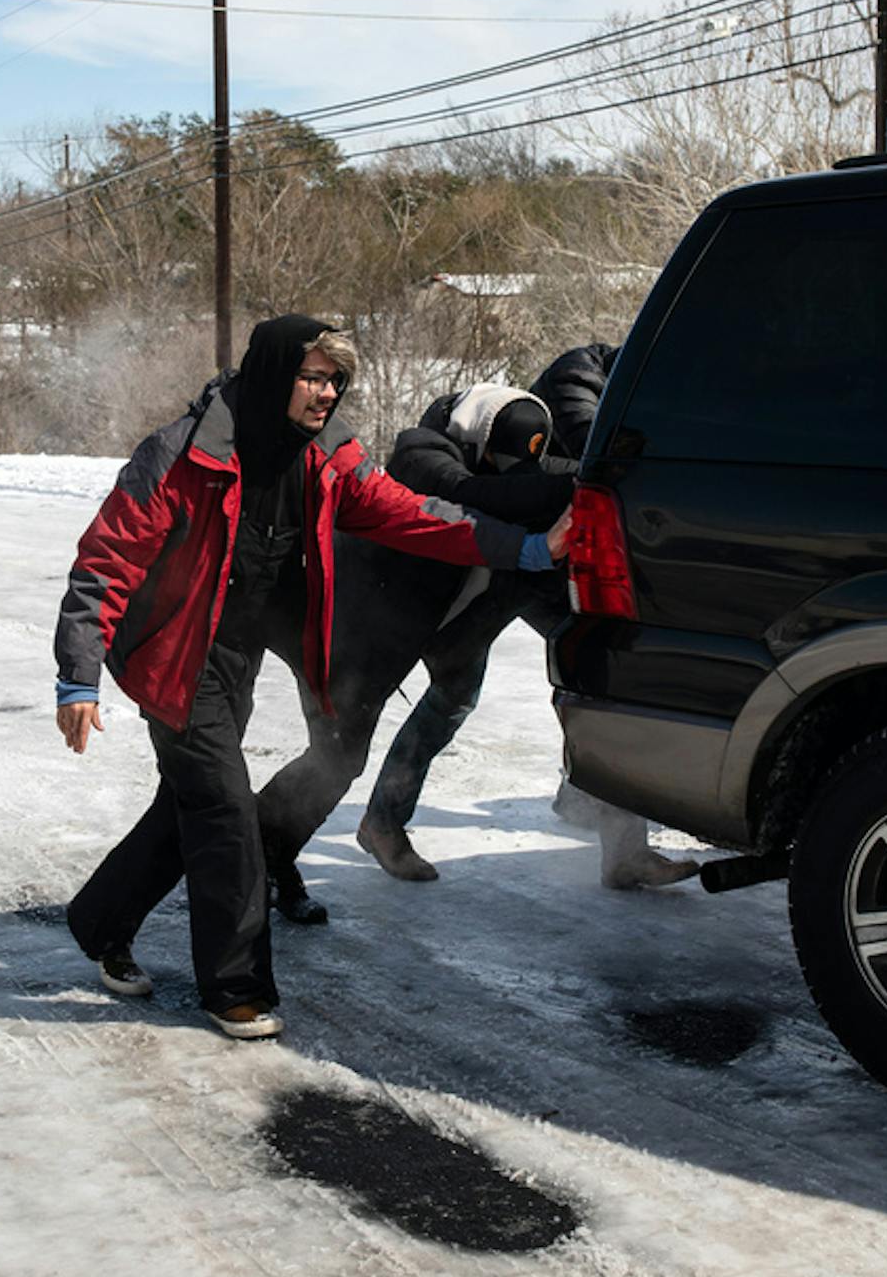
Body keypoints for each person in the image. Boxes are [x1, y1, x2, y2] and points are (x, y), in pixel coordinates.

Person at [52, 315, 570, 1041]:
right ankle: (235, 986)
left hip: (235, 654)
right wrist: (78, 675)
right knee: (227, 813)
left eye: (335, 380)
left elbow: (414, 514)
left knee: (190, 803)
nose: (327, 393)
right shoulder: (180, 455)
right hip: (171, 652)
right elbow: (106, 559)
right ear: (272, 374)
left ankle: (101, 920)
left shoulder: (325, 456)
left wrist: (528, 550)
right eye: (312, 377)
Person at [257, 344, 697, 923]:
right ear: (478, 441)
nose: (517, 477)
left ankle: (371, 828)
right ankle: (253, 862)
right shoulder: (422, 452)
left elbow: (523, 492)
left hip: (467, 613)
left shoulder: (512, 453)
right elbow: (480, 497)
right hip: (370, 627)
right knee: (335, 759)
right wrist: (595, 476)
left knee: (545, 679)